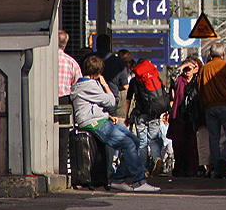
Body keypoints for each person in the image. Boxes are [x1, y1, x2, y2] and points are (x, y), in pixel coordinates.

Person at [70, 54, 159, 192]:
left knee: (134, 140)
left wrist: (107, 115)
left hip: (101, 118)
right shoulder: (89, 85)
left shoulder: (82, 84)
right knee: (127, 143)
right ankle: (139, 181)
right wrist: (105, 84)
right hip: (94, 122)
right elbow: (111, 101)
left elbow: (93, 106)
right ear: (98, 73)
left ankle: (119, 179)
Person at [198, 41, 226, 179]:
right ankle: (224, 159)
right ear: (223, 53)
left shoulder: (204, 69)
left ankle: (217, 168)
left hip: (210, 107)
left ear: (210, 54)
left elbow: (198, 88)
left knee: (214, 138)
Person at [126, 56, 170, 177]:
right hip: (155, 114)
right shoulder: (156, 79)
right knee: (154, 139)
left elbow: (128, 99)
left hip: (141, 114)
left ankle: (144, 168)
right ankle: (157, 158)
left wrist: (126, 116)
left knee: (142, 142)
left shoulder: (134, 81)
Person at [169, 58, 201, 176]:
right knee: (179, 144)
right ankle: (179, 168)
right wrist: (183, 66)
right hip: (178, 116)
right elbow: (172, 76)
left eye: (190, 69)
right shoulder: (179, 81)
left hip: (192, 116)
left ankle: (193, 169)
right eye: (185, 69)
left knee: (193, 144)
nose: (187, 71)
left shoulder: (197, 81)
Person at [57, 29, 81, 102]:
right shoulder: (72, 62)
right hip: (65, 100)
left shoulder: (44, 60)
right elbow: (79, 85)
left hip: (45, 98)